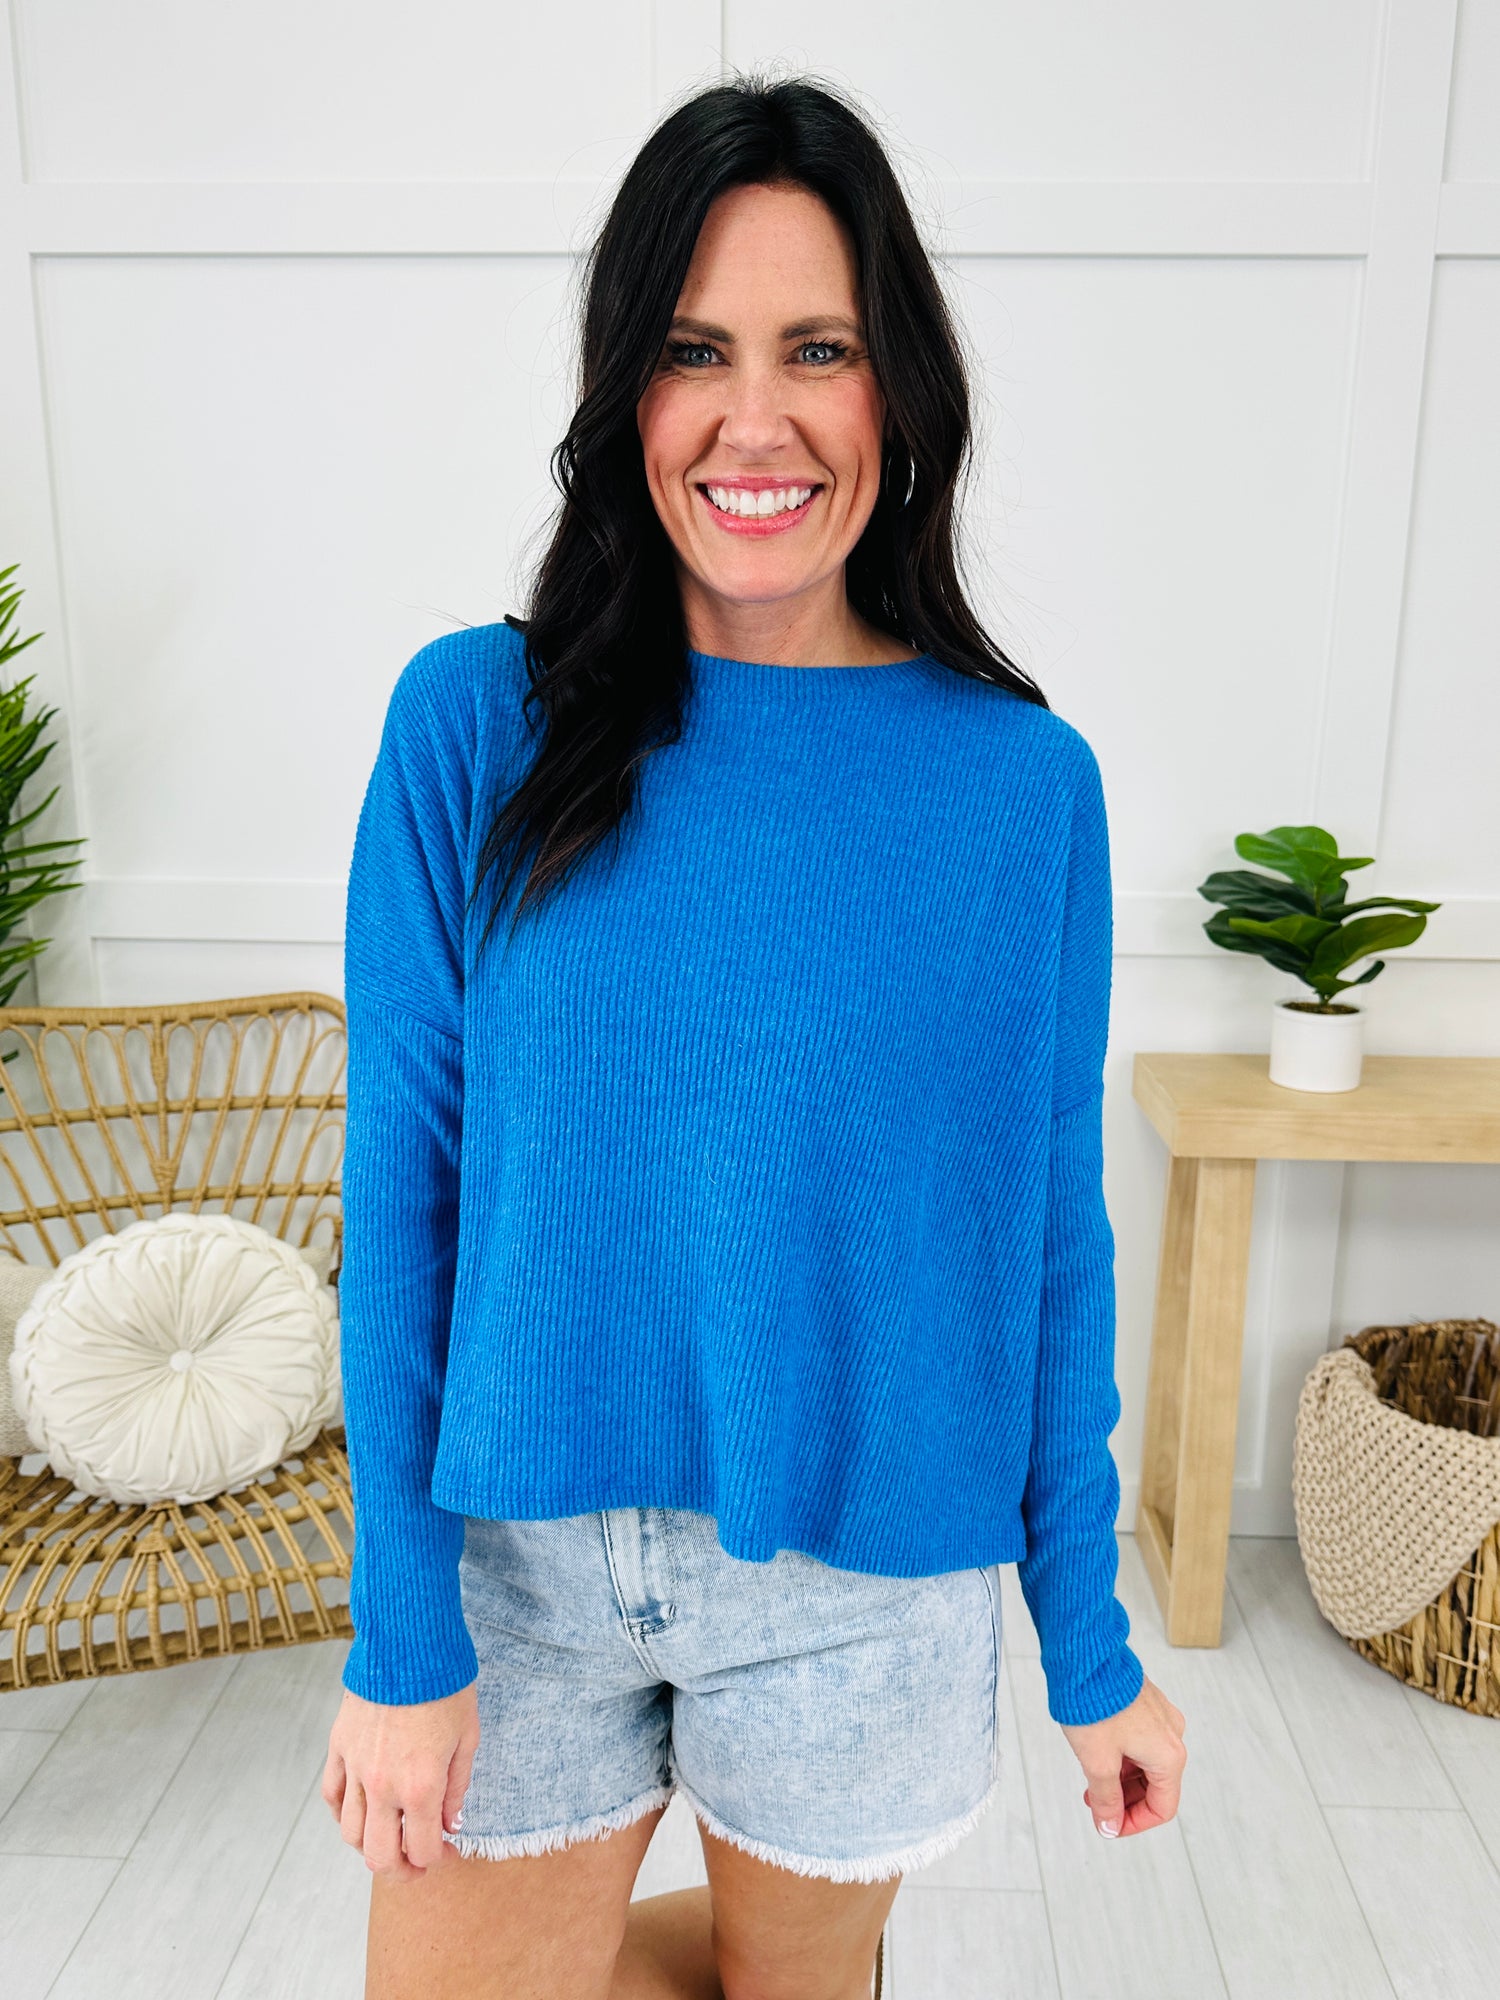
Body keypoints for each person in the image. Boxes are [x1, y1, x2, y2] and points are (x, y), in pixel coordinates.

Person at [321, 70, 1187, 2000]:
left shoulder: (1018, 789)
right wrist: (400, 1635)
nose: (756, 419)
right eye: (695, 351)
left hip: (862, 1582)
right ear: (627, 392)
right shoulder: (473, 726)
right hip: (513, 1570)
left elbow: (1045, 1235)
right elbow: (403, 1199)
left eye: (822, 349)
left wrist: (1090, 1641)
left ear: (900, 394)